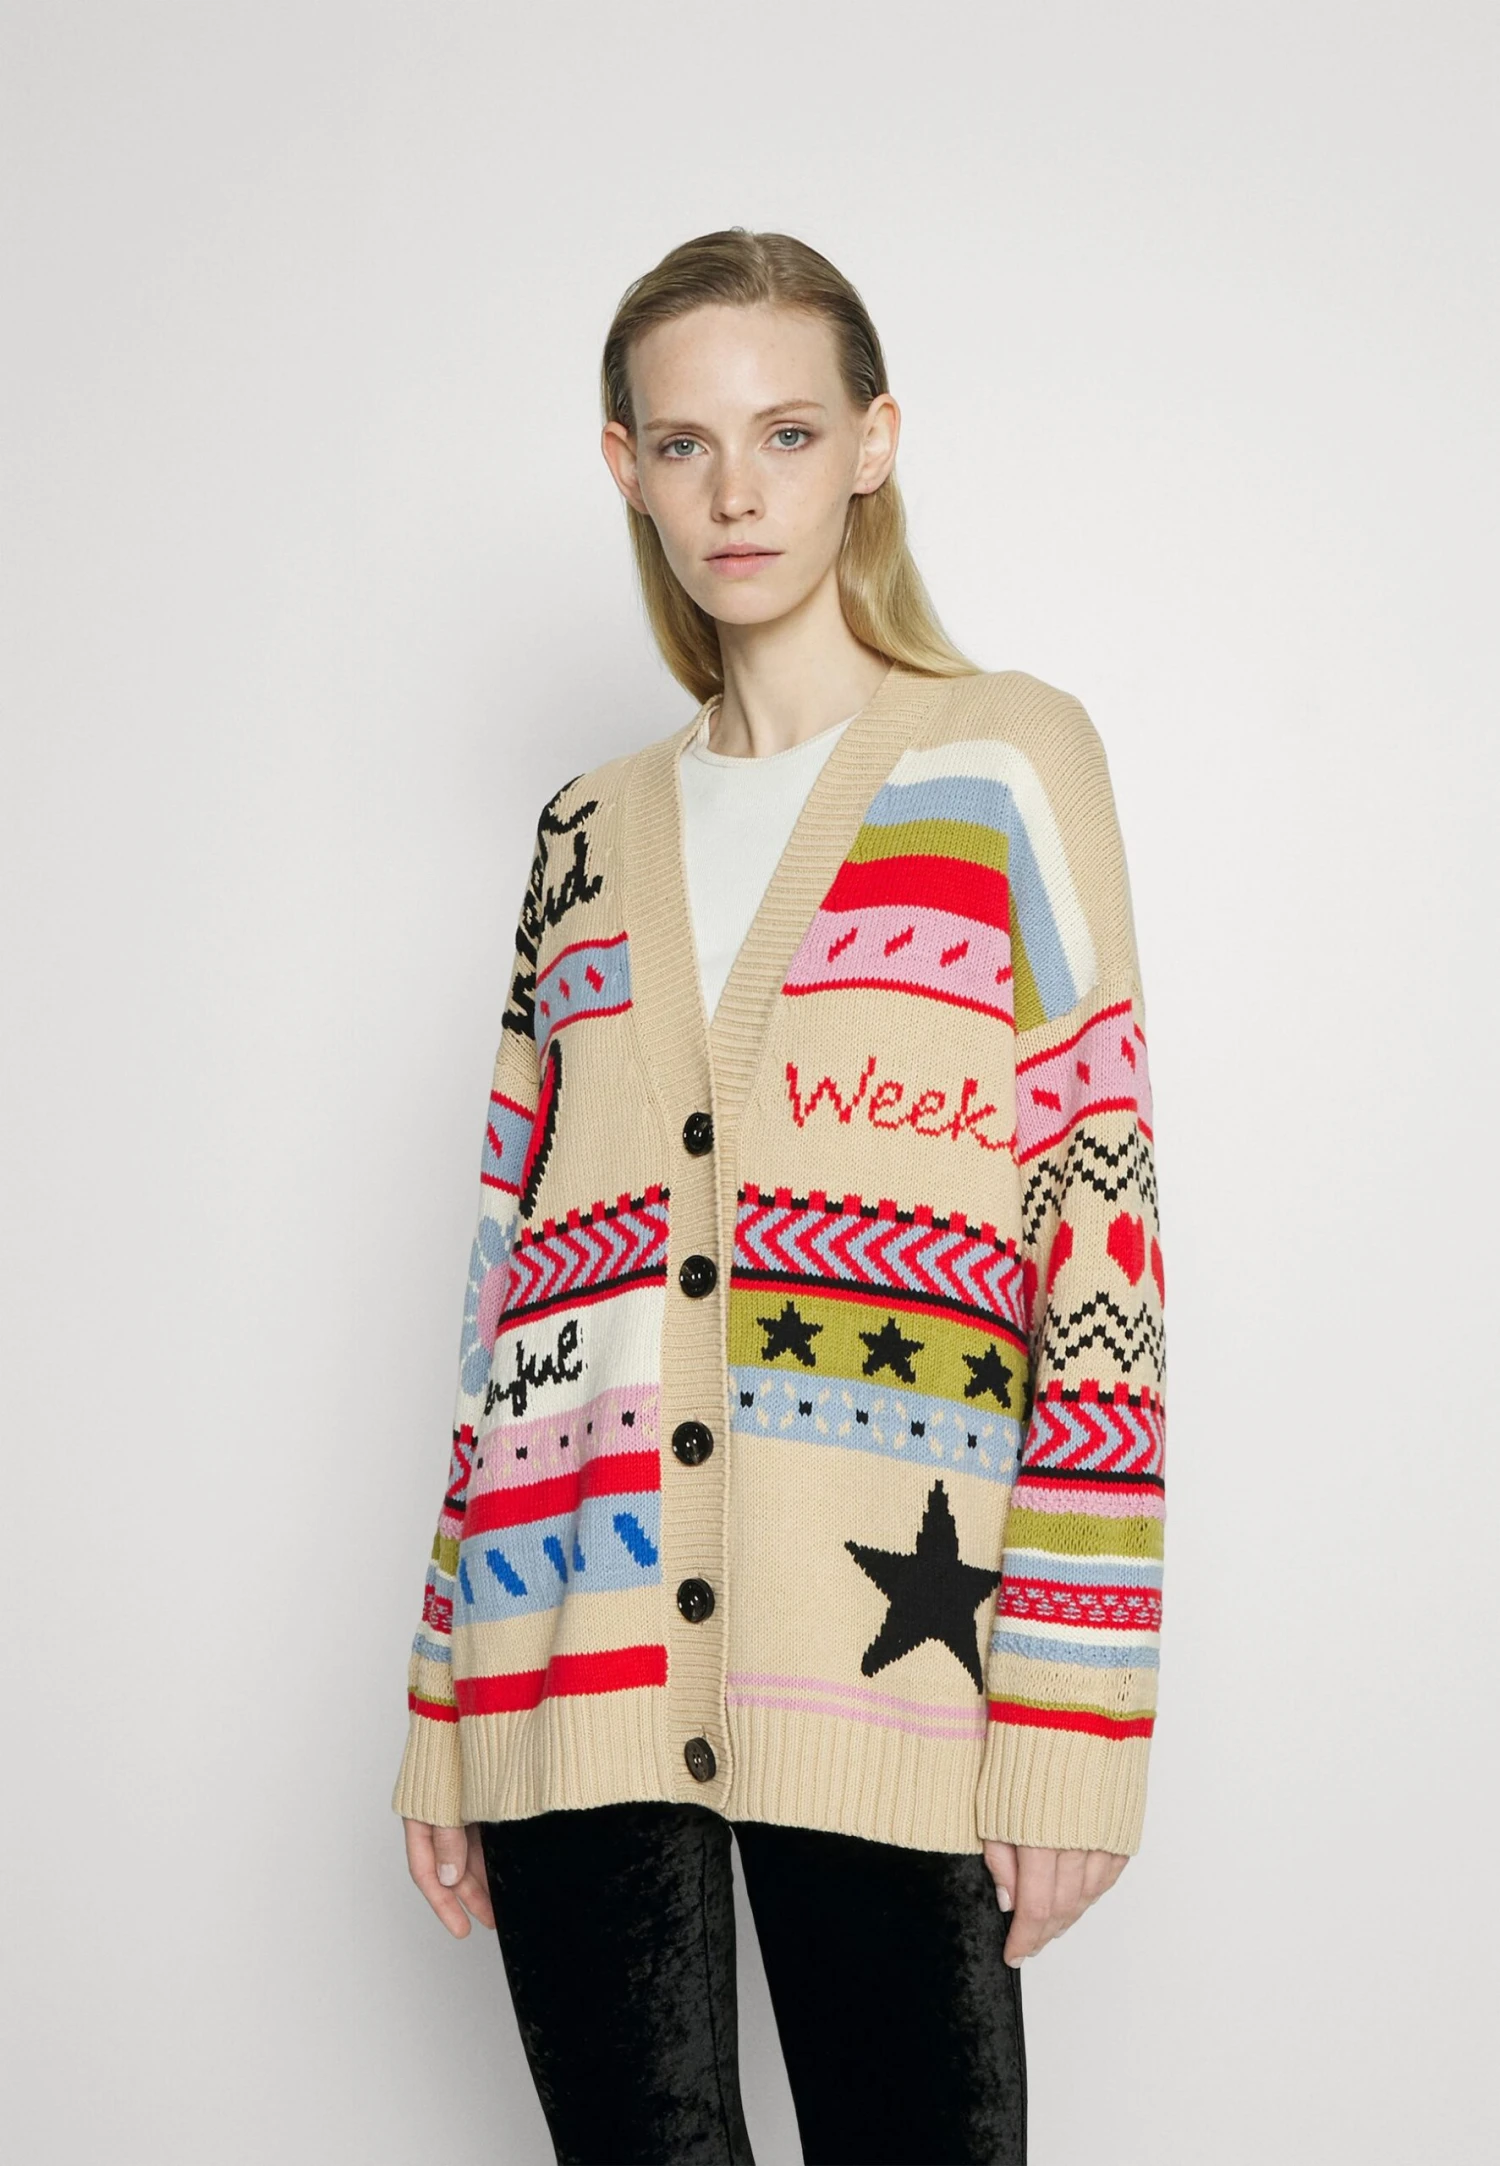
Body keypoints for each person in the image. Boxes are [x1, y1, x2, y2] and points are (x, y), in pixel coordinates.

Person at [394, 228, 1166, 2166]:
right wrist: (439, 1686)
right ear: (626, 468)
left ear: (874, 442)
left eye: (789, 432)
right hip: (565, 1643)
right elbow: (507, 1284)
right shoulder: (584, 833)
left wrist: (1076, 1706)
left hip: (890, 1651)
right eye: (685, 443)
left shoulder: (1004, 766)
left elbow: (1103, 1245)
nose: (736, 491)